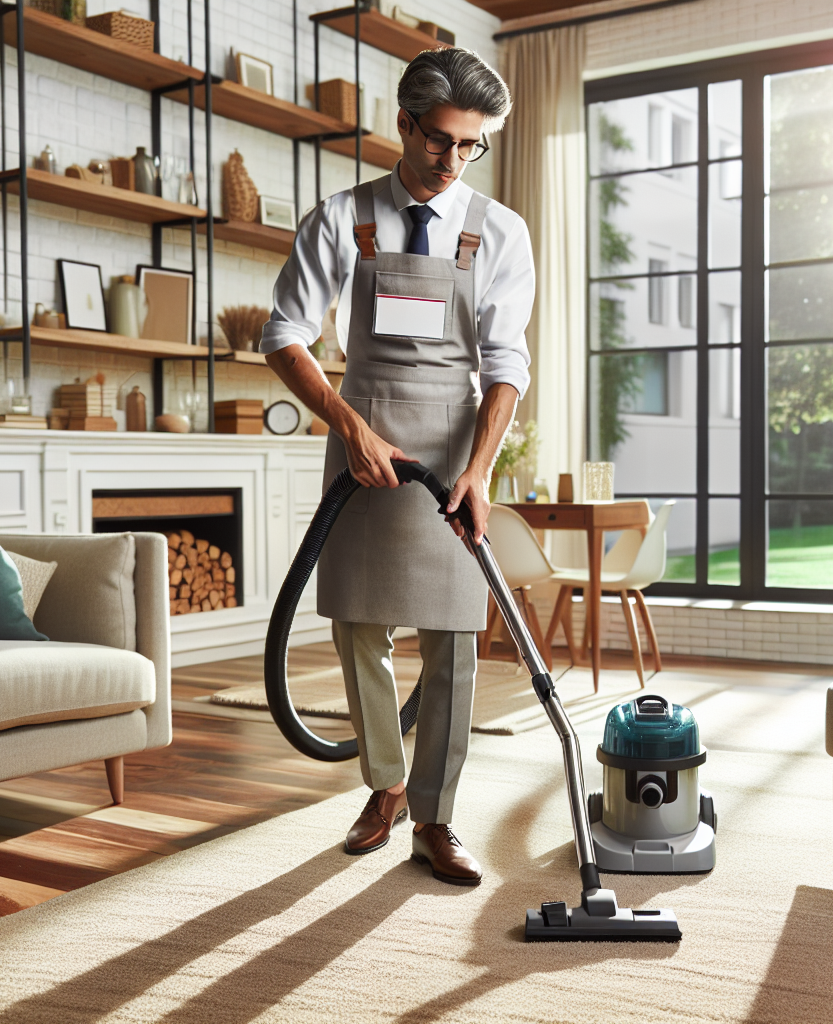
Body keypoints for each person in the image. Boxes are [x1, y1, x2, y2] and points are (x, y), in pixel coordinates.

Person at [261, 48, 534, 886]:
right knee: (361, 629)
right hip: (364, 446)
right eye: (441, 142)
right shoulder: (343, 218)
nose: (453, 162)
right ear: (405, 125)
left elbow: (505, 364)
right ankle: (384, 787)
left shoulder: (501, 229)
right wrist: (349, 426)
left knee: (454, 640)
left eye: (471, 146)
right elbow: (284, 336)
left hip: (451, 451)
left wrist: (480, 472)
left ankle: (436, 816)